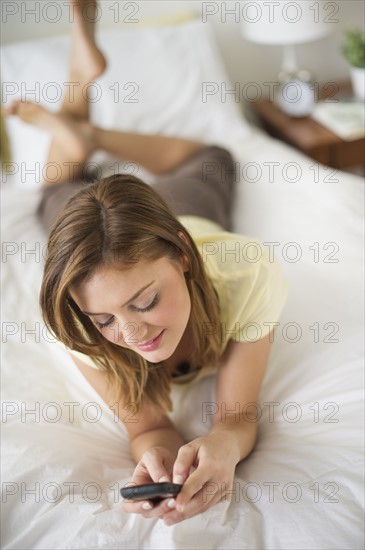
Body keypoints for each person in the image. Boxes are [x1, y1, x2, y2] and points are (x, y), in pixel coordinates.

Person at [4, 0, 287, 526]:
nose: (131, 334)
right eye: (105, 318)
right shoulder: (72, 316)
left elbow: (237, 417)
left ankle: (80, 132)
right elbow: (147, 428)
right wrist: (155, 453)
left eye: (145, 301)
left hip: (190, 216)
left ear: (182, 255)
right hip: (138, 224)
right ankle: (78, 115)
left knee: (213, 158)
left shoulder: (246, 273)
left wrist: (223, 447)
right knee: (61, 193)